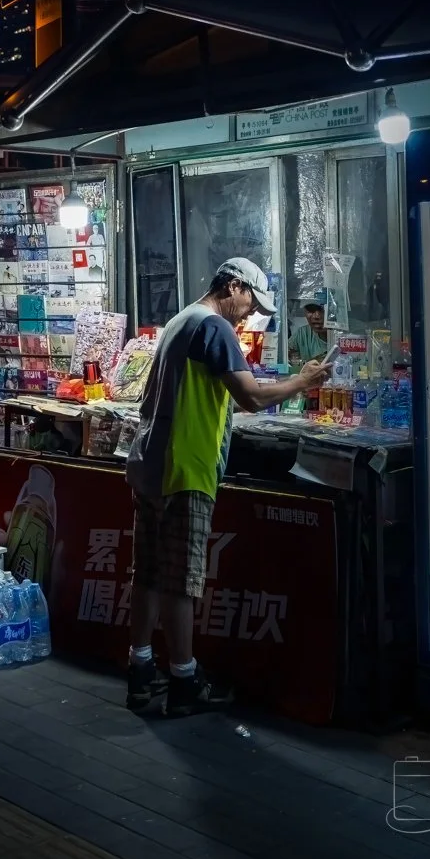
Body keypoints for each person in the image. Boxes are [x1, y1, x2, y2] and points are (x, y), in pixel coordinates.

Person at [124, 256, 332, 716]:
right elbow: (251, 397)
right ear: (233, 287)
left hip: (151, 464)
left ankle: (140, 670)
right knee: (180, 581)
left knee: (149, 574)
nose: (251, 313)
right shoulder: (214, 327)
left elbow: (213, 394)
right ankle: (184, 680)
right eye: (251, 302)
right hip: (185, 468)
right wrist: (302, 381)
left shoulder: (181, 320)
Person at [288, 292, 329, 367]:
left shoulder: (345, 335)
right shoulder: (302, 334)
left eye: (323, 310)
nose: (316, 316)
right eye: (311, 309)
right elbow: (284, 354)